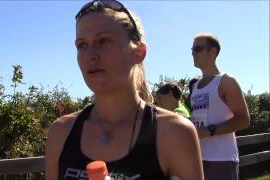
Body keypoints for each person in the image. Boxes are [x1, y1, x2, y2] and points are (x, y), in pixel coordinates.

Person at [45, 0, 204, 179]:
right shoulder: (61, 132)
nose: (90, 55)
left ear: (139, 52)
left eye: (103, 40)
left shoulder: (175, 133)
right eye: (81, 45)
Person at [190, 32, 250, 180]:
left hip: (222, 160)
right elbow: (203, 117)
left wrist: (209, 131)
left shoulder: (226, 81)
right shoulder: (195, 86)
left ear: (212, 51)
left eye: (197, 49)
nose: (192, 53)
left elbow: (244, 120)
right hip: (198, 158)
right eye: (192, 50)